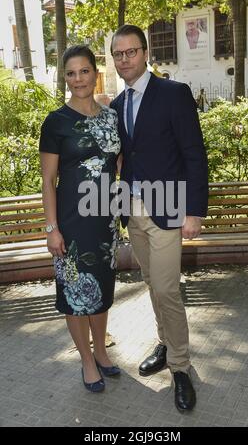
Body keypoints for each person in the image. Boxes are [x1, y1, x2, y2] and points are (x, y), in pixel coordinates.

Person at [110, 25, 208, 412]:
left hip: (168, 210)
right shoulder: (117, 106)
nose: (123, 60)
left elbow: (194, 154)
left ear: (145, 53)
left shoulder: (173, 94)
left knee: (166, 288)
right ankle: (165, 343)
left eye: (130, 52)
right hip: (132, 211)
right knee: (152, 282)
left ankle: (180, 367)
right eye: (117, 54)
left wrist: (195, 210)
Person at [39, 45, 121, 393]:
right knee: (75, 294)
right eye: (70, 73)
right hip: (71, 224)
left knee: (101, 290)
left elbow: (117, 164)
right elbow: (48, 181)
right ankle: (87, 361)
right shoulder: (56, 122)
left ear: (95, 72)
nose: (78, 79)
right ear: (66, 78)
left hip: (105, 222)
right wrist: (52, 229)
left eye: (84, 71)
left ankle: (101, 352)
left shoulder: (111, 117)